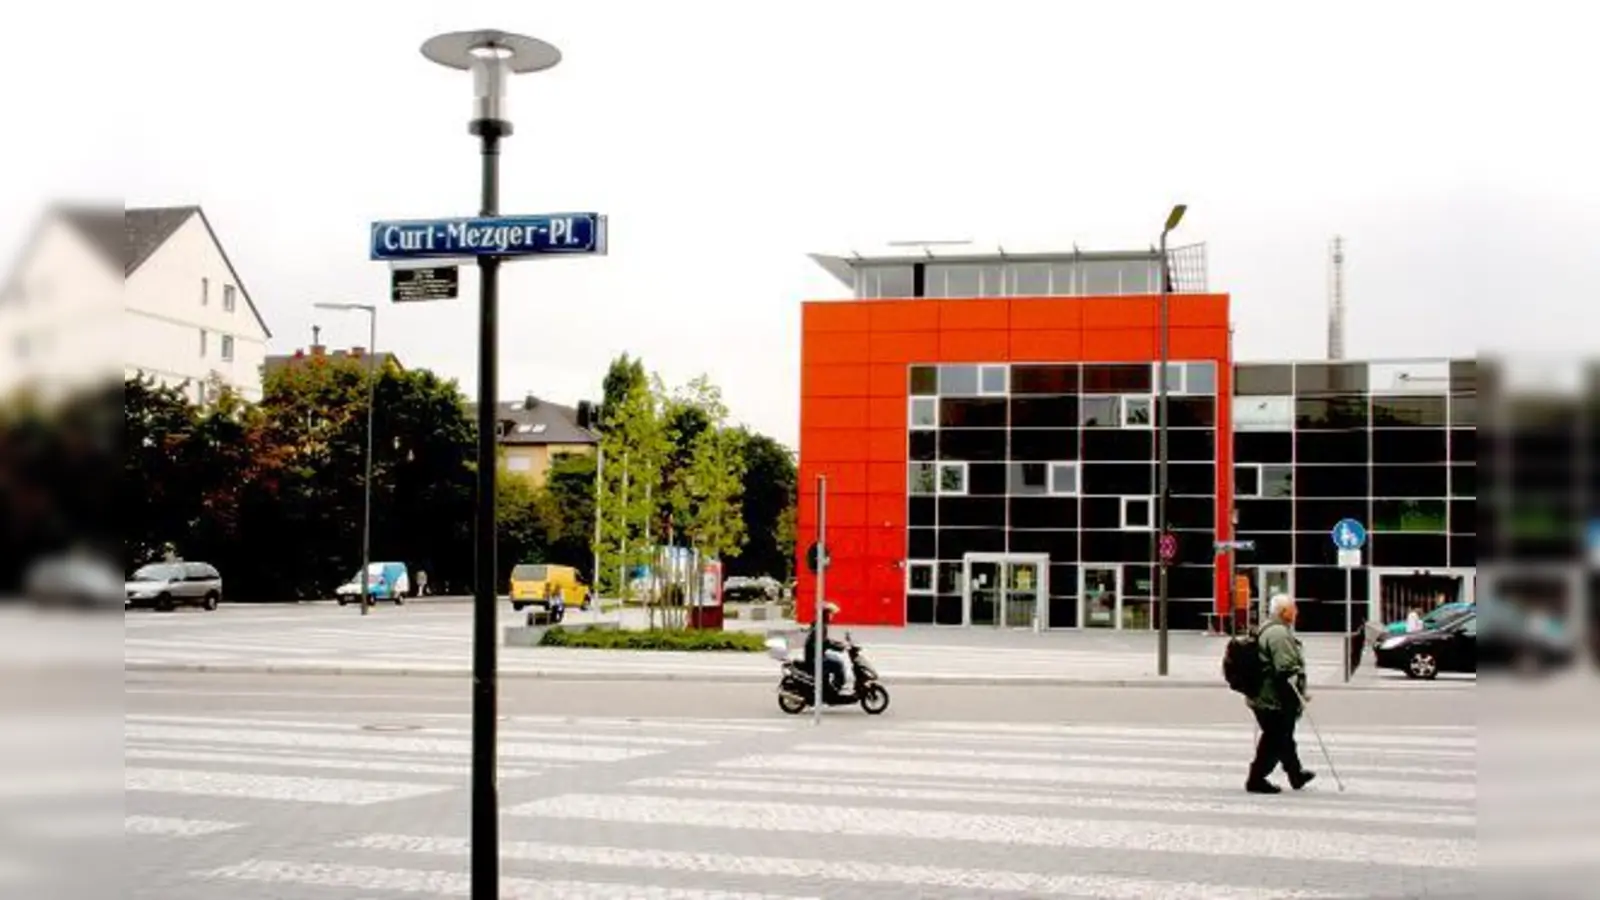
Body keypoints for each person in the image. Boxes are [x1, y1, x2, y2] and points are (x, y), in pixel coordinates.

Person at [1247, 594, 1316, 794]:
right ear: (1284, 612)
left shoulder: (1270, 628)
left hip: (1265, 695)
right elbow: (1285, 667)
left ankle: (1295, 774)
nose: (1296, 612)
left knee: (1284, 737)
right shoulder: (1278, 633)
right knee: (1275, 738)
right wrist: (1297, 692)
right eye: (1293, 608)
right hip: (1273, 697)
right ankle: (1256, 778)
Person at [800, 601, 851, 695]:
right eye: (830, 614)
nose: (832, 616)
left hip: (815, 655)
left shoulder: (819, 624)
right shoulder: (821, 626)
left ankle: (833, 686)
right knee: (838, 664)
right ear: (825, 615)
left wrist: (840, 644)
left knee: (836, 659)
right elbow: (825, 643)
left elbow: (826, 641)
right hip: (814, 658)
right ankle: (836, 689)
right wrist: (840, 648)